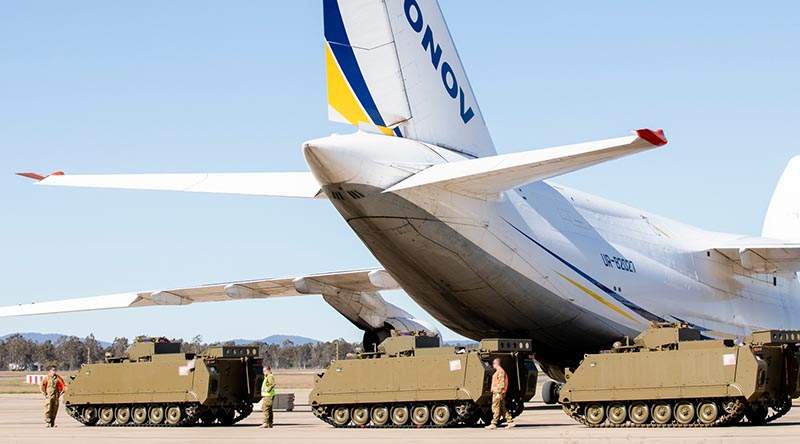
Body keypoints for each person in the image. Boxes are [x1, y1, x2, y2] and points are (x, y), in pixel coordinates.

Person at [485, 358, 515, 430]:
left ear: (496, 364)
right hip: (497, 392)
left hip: (498, 392)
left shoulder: (500, 372)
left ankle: (494, 423)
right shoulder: (498, 372)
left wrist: (498, 393)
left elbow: (502, 383)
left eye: (493, 364)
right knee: (502, 408)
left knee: (496, 407)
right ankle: (510, 422)